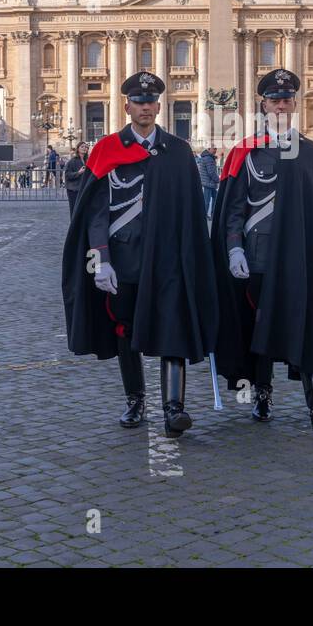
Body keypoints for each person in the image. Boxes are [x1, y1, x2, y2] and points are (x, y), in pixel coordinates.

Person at [212, 68, 313, 431]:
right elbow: (234, 212)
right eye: (275, 100)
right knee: (259, 328)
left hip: (302, 259)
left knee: (309, 324)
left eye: (287, 100)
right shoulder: (245, 153)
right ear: (263, 105)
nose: (281, 106)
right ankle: (262, 393)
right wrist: (234, 250)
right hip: (258, 258)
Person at [61, 71, 217, 438]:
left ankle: (174, 407)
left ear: (159, 107)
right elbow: (95, 213)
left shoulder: (178, 151)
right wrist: (100, 258)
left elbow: (191, 211)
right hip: (125, 259)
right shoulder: (105, 150)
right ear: (126, 105)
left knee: (172, 324)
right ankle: (135, 399)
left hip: (168, 259)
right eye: (138, 102)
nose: (145, 107)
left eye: (150, 102)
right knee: (125, 332)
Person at [63, 143, 89, 214]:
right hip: (73, 190)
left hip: (83, 189)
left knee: (83, 211)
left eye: (86, 147)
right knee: (74, 210)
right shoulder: (72, 161)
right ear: (78, 149)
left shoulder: (88, 161)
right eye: (82, 147)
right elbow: (67, 175)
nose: (85, 148)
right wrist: (79, 172)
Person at [197, 145, 219, 218]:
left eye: (216, 149)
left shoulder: (207, 157)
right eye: (214, 149)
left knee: (214, 199)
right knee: (207, 201)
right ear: (209, 149)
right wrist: (218, 180)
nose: (215, 150)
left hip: (209, 183)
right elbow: (211, 172)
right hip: (209, 183)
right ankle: (204, 216)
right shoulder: (208, 159)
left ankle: (211, 215)